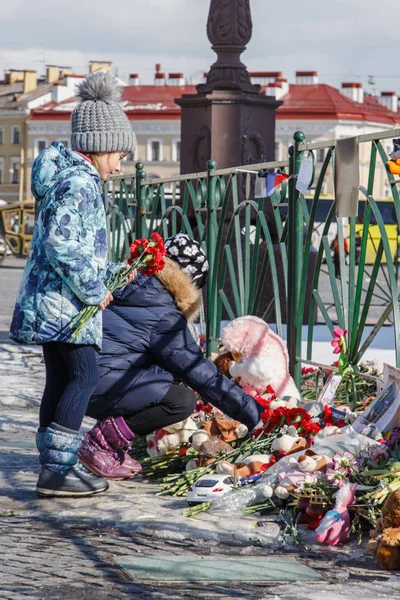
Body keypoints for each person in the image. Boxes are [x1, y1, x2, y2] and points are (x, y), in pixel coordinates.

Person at [9, 71, 136, 497]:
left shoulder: (67, 180)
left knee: (60, 378)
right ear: (101, 147)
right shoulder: (81, 182)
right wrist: (95, 290)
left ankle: (53, 467)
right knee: (84, 376)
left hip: (54, 299)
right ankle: (57, 472)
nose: (121, 165)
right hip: (66, 304)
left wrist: (114, 269)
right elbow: (63, 242)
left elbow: (75, 244)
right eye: (120, 154)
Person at [79, 233, 264, 480]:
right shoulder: (162, 311)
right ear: (189, 284)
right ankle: (101, 442)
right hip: (100, 385)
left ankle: (109, 440)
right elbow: (200, 374)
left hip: (80, 379)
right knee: (181, 400)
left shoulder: (131, 284)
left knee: (167, 376)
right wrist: (252, 413)